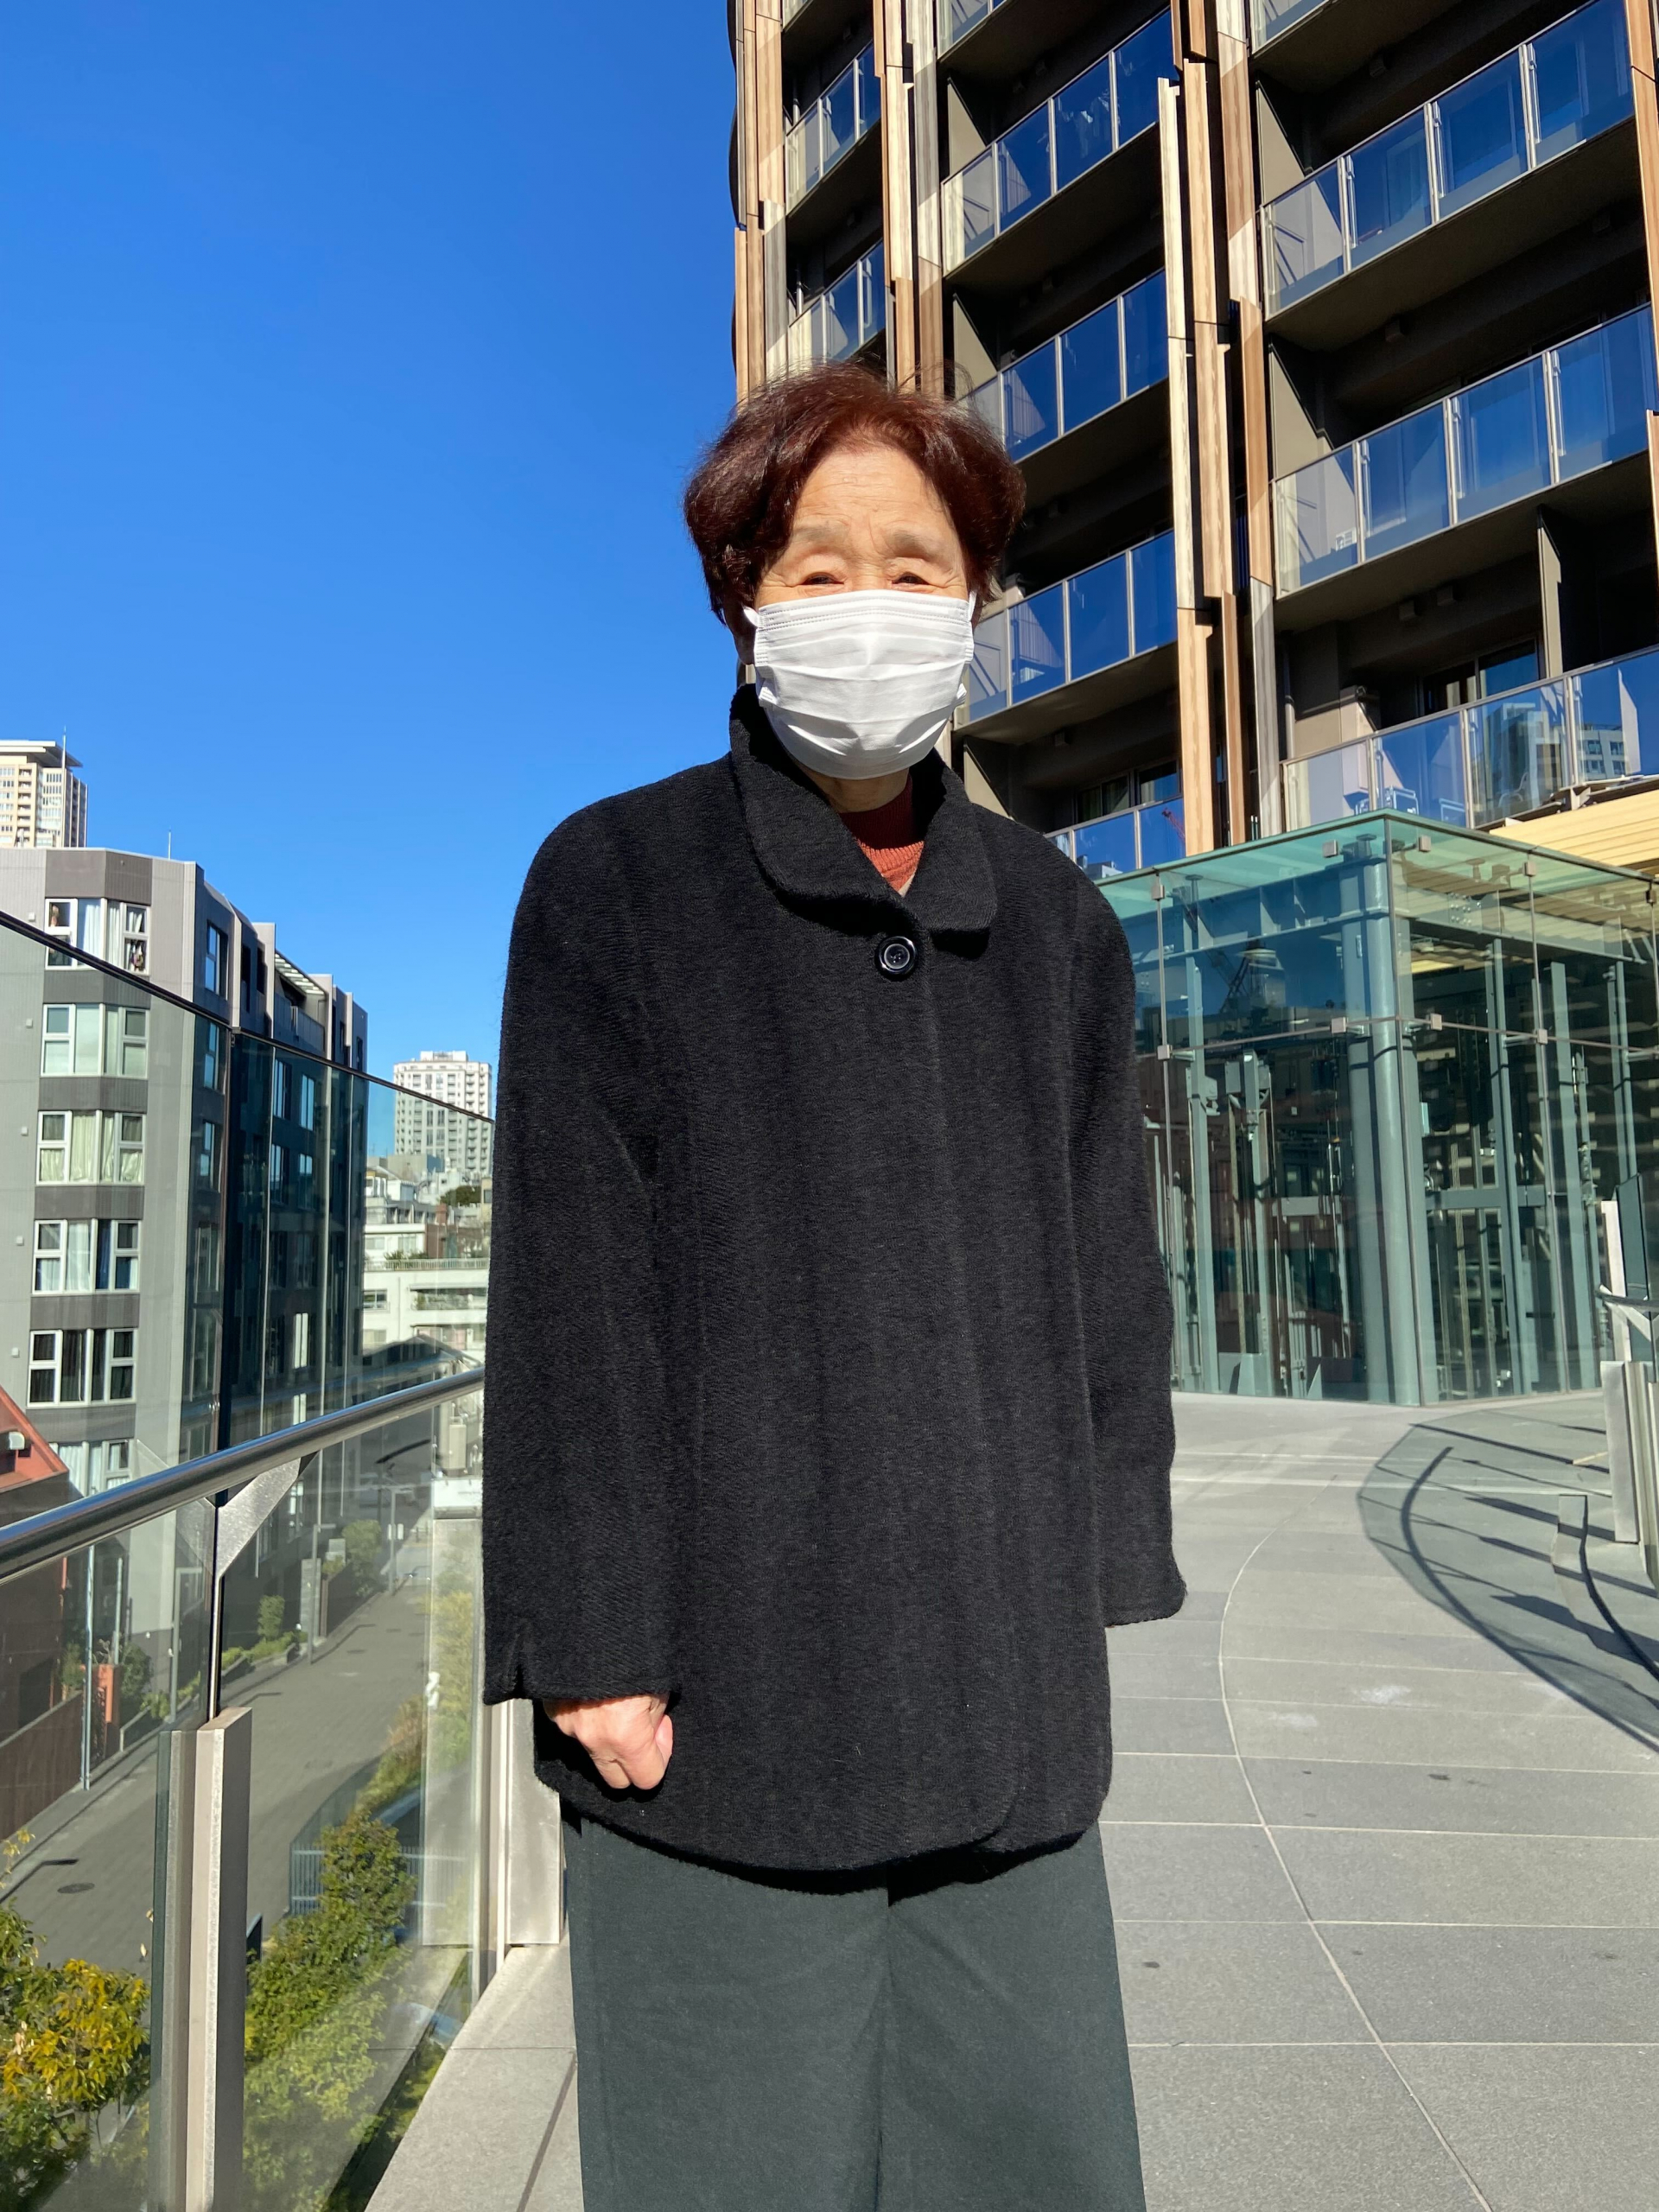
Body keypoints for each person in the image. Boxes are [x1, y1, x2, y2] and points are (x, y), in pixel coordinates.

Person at [482, 362, 1183, 2212]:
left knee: (1034, 2166)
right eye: (817, 568)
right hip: (724, 1722)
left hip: (1009, 1707)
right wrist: (595, 1643)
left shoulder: (1058, 918)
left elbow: (1108, 1263)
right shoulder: (615, 881)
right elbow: (573, 1296)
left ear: (977, 601)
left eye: (914, 566)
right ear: (744, 599)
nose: (869, 606)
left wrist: (1104, 1561)